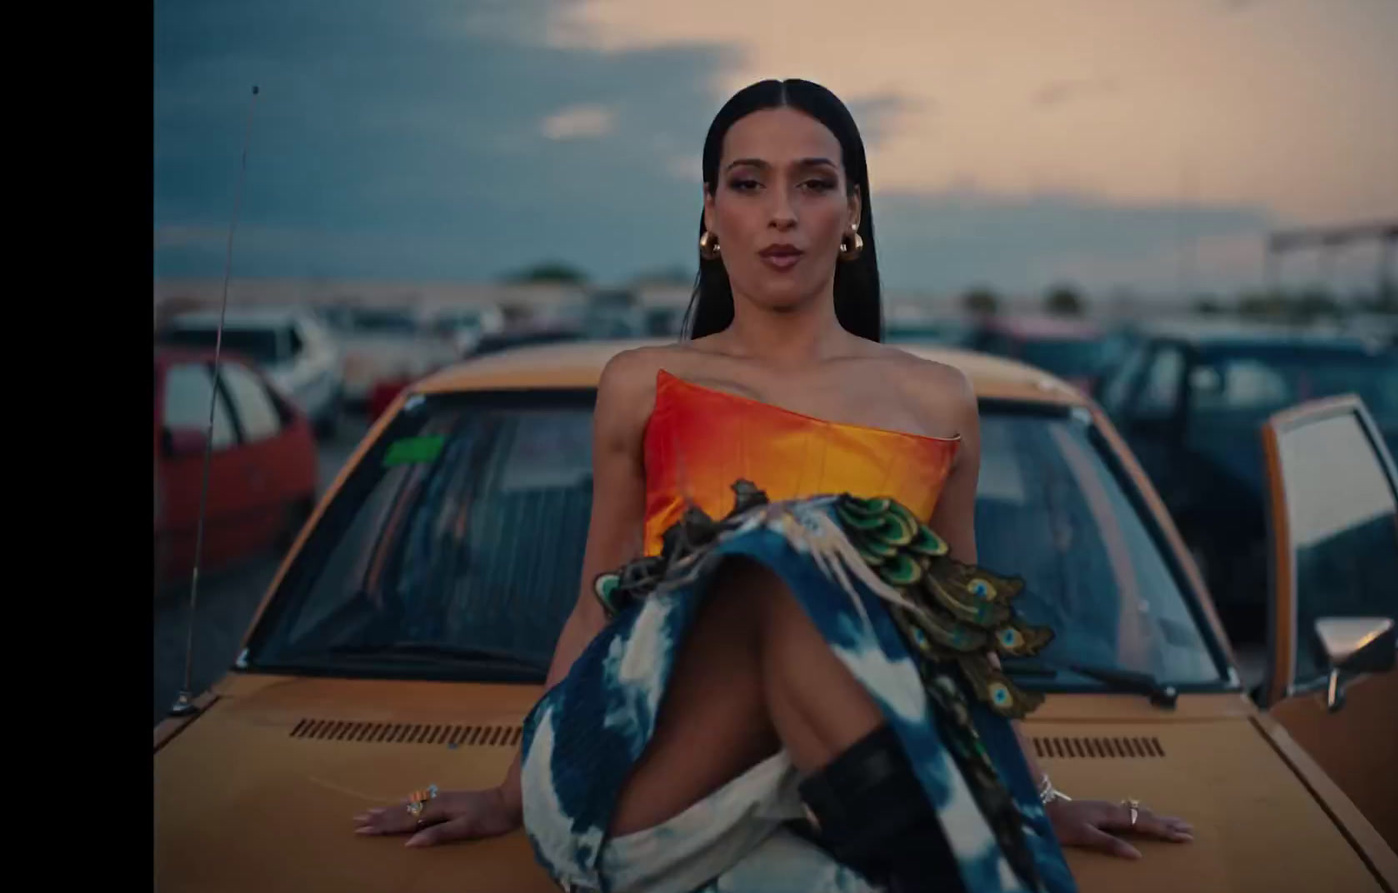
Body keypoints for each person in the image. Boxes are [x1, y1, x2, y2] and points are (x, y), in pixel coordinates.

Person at [355, 78, 1193, 892]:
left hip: (832, 812)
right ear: (711, 215)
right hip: (641, 788)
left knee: (825, 567)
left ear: (853, 211)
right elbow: (594, 606)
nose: (781, 212)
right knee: (783, 546)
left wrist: (1036, 799)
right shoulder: (641, 384)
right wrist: (511, 792)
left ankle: (970, 841)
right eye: (749, 184)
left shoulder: (937, 401)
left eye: (814, 183)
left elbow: (954, 638)